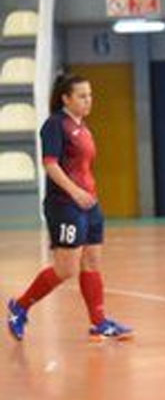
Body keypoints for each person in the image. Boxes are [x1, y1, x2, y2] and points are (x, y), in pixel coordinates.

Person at [6, 74, 133, 342]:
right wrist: (75, 193)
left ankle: (99, 322)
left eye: (90, 95)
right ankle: (20, 307)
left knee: (92, 261)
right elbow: (50, 164)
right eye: (82, 96)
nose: (89, 100)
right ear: (66, 98)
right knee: (65, 269)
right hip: (65, 205)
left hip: (89, 205)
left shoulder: (82, 127)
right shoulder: (55, 125)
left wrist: (88, 196)